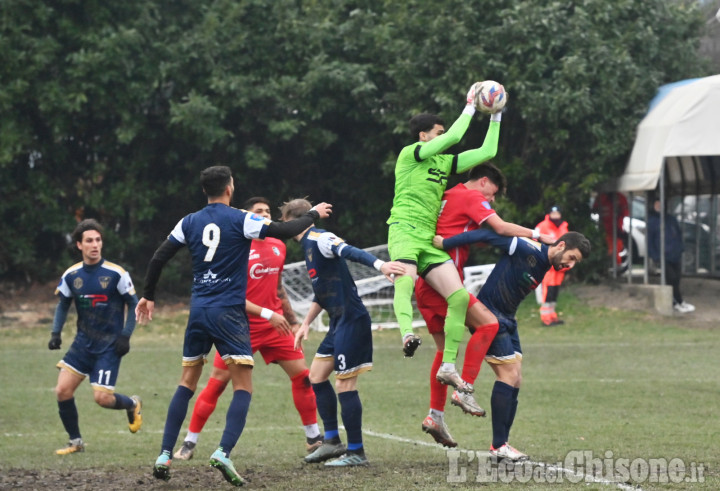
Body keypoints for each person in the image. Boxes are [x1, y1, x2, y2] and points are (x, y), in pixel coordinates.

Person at [135, 166, 331, 486]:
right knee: (243, 387)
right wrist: (313, 213)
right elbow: (285, 230)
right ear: (229, 188)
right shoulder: (241, 218)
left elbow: (159, 257)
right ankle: (224, 451)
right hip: (229, 313)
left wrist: (148, 296)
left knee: (187, 383)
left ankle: (164, 454)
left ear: (205, 191)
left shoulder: (189, 221)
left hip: (198, 311)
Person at [173, 196, 322, 461]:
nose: (264, 215)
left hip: (276, 326)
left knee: (303, 377)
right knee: (217, 385)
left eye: (267, 211)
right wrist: (267, 314)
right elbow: (231, 294)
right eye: (258, 212)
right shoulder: (237, 247)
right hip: (238, 327)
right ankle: (189, 442)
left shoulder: (278, 245)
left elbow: (278, 287)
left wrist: (294, 320)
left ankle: (313, 438)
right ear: (248, 217)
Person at [416, 163, 555, 447]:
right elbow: (501, 228)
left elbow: (475, 236)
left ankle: (435, 416)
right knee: (489, 323)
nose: (490, 200)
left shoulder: (448, 194)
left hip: (425, 282)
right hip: (445, 283)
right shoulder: (471, 197)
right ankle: (464, 389)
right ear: (482, 182)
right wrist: (538, 235)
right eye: (492, 194)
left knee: (444, 352)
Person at [435, 228, 590, 461]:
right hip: (489, 315)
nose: (571, 265)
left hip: (508, 318)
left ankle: (502, 446)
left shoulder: (547, 262)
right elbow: (486, 235)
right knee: (508, 376)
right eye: (572, 258)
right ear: (561, 246)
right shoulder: (525, 247)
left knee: (516, 378)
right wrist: (447, 242)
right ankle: (497, 445)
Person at [387, 82, 504, 393]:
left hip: (428, 238)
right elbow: (454, 137)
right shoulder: (411, 154)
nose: (443, 137)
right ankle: (406, 334)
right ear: (424, 136)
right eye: (437, 133)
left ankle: (449, 366)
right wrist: (470, 105)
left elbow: (488, 152)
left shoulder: (444, 162)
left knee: (460, 297)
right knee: (405, 279)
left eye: (441, 133)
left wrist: (496, 116)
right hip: (404, 230)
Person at [283, 198, 405, 467]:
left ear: (293, 222)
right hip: (338, 321)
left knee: (344, 383)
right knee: (316, 376)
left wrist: (381, 265)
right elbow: (321, 293)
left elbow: (351, 251)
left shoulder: (320, 237)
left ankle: (356, 452)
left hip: (352, 319)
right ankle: (331, 442)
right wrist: (305, 324)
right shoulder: (308, 247)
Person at [48, 218, 142, 455]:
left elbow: (133, 303)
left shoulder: (116, 273)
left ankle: (132, 404)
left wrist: (126, 335)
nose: (95, 245)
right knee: (62, 391)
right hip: (82, 344)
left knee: (102, 398)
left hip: (109, 346)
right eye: (89, 240)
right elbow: (63, 304)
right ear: (79, 245)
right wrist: (55, 333)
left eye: (98, 240)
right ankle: (76, 442)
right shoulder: (72, 275)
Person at [647, 198, 694, 313]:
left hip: (675, 254)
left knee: (676, 278)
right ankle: (675, 302)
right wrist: (655, 256)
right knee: (671, 278)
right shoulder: (652, 222)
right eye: (656, 204)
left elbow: (678, 234)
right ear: (653, 206)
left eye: (661, 204)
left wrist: (680, 248)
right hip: (663, 256)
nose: (659, 206)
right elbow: (649, 241)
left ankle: (679, 302)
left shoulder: (671, 219)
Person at [535, 206, 570, 326]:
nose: (555, 216)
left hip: (560, 266)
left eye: (557, 213)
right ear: (549, 214)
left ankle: (552, 316)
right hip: (548, 265)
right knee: (548, 291)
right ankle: (546, 318)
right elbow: (535, 242)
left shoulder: (563, 227)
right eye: (553, 213)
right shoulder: (542, 226)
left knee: (554, 291)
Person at [592, 192, 629, 270]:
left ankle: (617, 265)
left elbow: (626, 212)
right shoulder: (601, 197)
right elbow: (594, 210)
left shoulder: (620, 198)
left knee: (616, 248)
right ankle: (608, 266)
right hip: (604, 229)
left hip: (616, 229)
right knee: (607, 248)